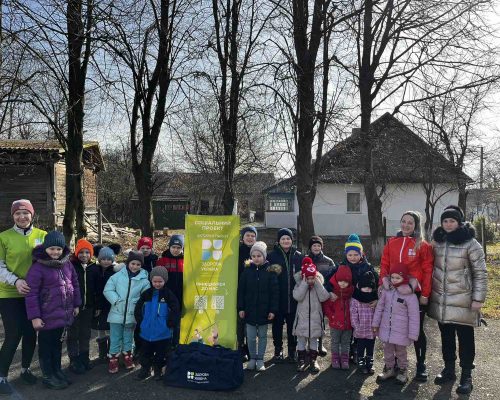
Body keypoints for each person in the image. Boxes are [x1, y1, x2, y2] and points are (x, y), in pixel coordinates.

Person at [428, 206, 487, 394]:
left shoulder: (471, 244)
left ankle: (466, 376)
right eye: (445, 221)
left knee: (466, 339)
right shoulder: (436, 242)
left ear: (459, 222)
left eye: (452, 221)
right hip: (441, 301)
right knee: (446, 337)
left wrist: (478, 299)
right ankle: (449, 370)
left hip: (463, 301)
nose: (448, 224)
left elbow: (480, 273)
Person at [379, 211, 434, 381]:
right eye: (404, 221)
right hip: (393, 293)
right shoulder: (392, 243)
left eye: (410, 223)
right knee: (391, 326)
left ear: (416, 225)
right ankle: (392, 364)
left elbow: (427, 270)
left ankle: (421, 365)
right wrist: (383, 283)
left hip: (414, 294)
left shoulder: (423, 245)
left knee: (416, 330)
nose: (406, 225)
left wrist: (424, 293)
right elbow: (384, 264)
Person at [0, 199, 46, 394]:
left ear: (32, 214)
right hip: (9, 293)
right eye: (17, 213)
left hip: (33, 294)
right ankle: (1, 376)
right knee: (13, 334)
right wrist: (16, 281)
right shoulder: (3, 237)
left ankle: (25, 370)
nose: (22, 217)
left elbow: (52, 259)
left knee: (30, 333)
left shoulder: (42, 236)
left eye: (25, 213)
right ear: (13, 216)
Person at [25, 231, 81, 390]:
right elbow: (31, 294)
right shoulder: (38, 267)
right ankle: (48, 375)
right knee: (46, 347)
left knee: (57, 346)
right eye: (52, 249)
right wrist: (35, 317)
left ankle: (57, 371)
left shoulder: (67, 264)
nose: (55, 252)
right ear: (45, 248)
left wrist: (76, 304)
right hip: (46, 316)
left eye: (58, 249)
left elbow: (74, 284)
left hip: (63, 315)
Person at [326, 234, 378, 364]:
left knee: (361, 328)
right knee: (348, 327)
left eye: (356, 254)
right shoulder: (341, 267)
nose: (353, 258)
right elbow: (328, 281)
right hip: (346, 302)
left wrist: (377, 299)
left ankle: (357, 350)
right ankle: (347, 351)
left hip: (364, 304)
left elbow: (377, 284)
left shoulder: (368, 267)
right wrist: (330, 291)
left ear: (361, 253)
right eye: (350, 255)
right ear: (346, 255)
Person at [373, 263, 420, 385]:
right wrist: (375, 323)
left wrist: (413, 334)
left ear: (404, 278)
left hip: (401, 332)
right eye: (392, 277)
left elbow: (414, 316)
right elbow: (379, 308)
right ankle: (389, 369)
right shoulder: (386, 291)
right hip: (386, 329)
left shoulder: (410, 296)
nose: (394, 280)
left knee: (401, 352)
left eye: (397, 278)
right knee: (387, 350)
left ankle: (403, 371)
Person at [104, 250, 150, 374]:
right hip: (116, 313)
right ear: (128, 263)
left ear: (141, 266)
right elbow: (108, 290)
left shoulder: (144, 280)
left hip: (131, 314)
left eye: (138, 264)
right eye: (133, 263)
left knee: (128, 337)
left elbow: (145, 296)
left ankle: (128, 356)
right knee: (115, 337)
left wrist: (136, 304)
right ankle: (113, 359)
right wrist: (116, 301)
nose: (135, 266)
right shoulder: (117, 276)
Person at [238, 242, 279, 371]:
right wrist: (241, 308)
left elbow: (275, 293)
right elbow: (241, 291)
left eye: (259, 255)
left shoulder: (270, 272)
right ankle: (252, 359)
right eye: (254, 256)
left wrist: (272, 310)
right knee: (250, 337)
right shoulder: (246, 272)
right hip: (249, 311)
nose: (256, 258)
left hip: (264, 311)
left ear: (264, 256)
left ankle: (260, 359)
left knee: (262, 336)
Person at [134, 267, 180, 381]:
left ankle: (158, 370)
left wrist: (170, 323)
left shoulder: (168, 295)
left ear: (165, 281)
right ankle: (145, 369)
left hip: (162, 332)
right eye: (155, 281)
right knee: (145, 353)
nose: (157, 284)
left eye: (160, 281)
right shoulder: (146, 294)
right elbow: (138, 308)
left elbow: (175, 309)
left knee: (161, 354)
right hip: (146, 331)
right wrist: (141, 321)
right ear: (151, 281)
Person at [267, 228, 303, 362]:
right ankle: (278, 349)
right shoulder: (271, 256)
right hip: (277, 298)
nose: (286, 241)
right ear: (278, 241)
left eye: (288, 238)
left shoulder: (298, 256)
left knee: (292, 326)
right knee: (277, 326)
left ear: (292, 240)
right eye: (283, 239)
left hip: (294, 299)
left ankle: (292, 350)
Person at [67, 239, 101, 374]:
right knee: (73, 333)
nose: (84, 255)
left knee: (85, 333)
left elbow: (98, 289)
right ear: (76, 253)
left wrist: (97, 305)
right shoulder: (71, 266)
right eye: (81, 252)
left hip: (89, 307)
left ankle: (84, 357)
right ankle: (74, 359)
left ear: (91, 254)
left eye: (87, 252)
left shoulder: (94, 268)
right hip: (74, 307)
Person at [292, 257, 330, 373]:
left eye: (312, 278)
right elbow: (297, 296)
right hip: (302, 319)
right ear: (304, 277)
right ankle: (302, 360)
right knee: (301, 341)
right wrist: (304, 284)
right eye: (307, 278)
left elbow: (324, 297)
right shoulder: (299, 285)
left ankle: (313, 360)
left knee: (314, 340)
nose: (310, 280)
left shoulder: (318, 285)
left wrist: (317, 283)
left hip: (315, 318)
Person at [323, 265, 354, 370]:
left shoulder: (351, 293)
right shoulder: (333, 293)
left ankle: (345, 359)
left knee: (346, 342)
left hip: (348, 325)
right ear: (336, 279)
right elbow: (327, 307)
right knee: (335, 341)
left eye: (345, 282)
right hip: (335, 323)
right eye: (340, 281)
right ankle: (335, 358)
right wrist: (332, 317)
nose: (342, 283)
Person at [156, 234, 184, 347]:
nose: (176, 250)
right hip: (166, 296)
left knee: (177, 322)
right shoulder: (162, 260)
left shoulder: (186, 260)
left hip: (181, 296)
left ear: (182, 248)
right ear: (169, 247)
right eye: (173, 247)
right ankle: (164, 345)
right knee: (165, 320)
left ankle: (175, 345)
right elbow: (157, 280)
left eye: (178, 248)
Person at [93, 246, 119, 362]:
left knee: (110, 328)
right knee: (100, 328)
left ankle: (111, 352)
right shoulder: (95, 270)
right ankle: (102, 354)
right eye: (103, 259)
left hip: (111, 304)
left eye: (109, 259)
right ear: (99, 259)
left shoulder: (115, 271)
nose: (106, 261)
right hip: (99, 304)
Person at [350, 271, 378, 374]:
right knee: (360, 347)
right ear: (360, 287)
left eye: (370, 288)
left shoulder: (374, 299)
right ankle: (361, 364)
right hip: (360, 329)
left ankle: (370, 364)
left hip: (372, 329)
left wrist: (376, 325)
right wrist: (356, 326)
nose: (367, 290)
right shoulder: (355, 299)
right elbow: (353, 314)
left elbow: (378, 314)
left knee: (370, 348)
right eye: (365, 287)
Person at [237, 226, 257, 361]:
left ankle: (251, 349)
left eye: (252, 235)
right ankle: (241, 348)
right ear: (242, 237)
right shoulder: (236, 251)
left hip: (254, 292)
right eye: (247, 235)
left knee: (252, 322)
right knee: (240, 321)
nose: (250, 238)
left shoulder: (259, 252)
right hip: (239, 291)